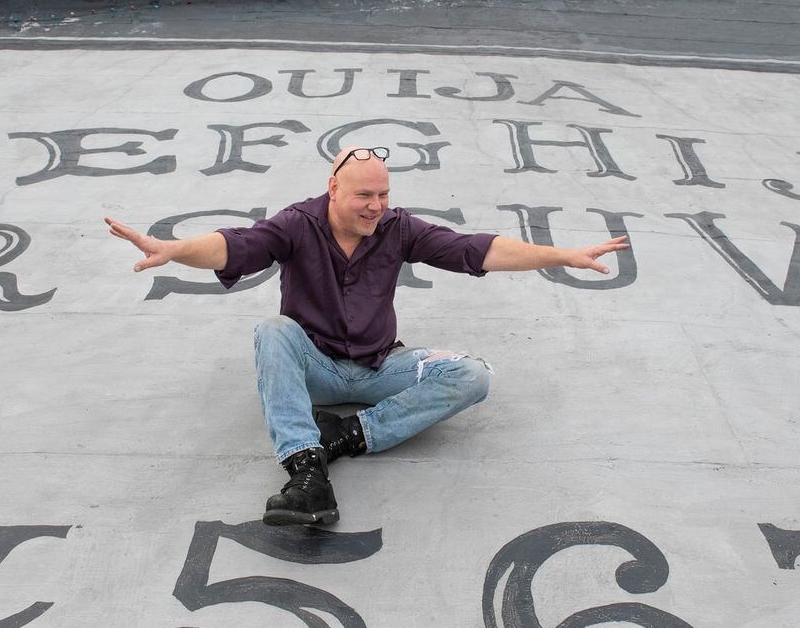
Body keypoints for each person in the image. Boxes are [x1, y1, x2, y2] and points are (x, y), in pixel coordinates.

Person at [105, 145, 628, 526]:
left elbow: (476, 249)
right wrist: (174, 250)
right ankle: (307, 472)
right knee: (273, 331)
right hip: (316, 367)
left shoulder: (398, 228)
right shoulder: (296, 224)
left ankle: (344, 435)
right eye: (363, 195)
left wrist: (562, 255)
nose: (375, 206)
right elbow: (234, 246)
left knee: (472, 376)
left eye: (382, 194)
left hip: (380, 365)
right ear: (334, 189)